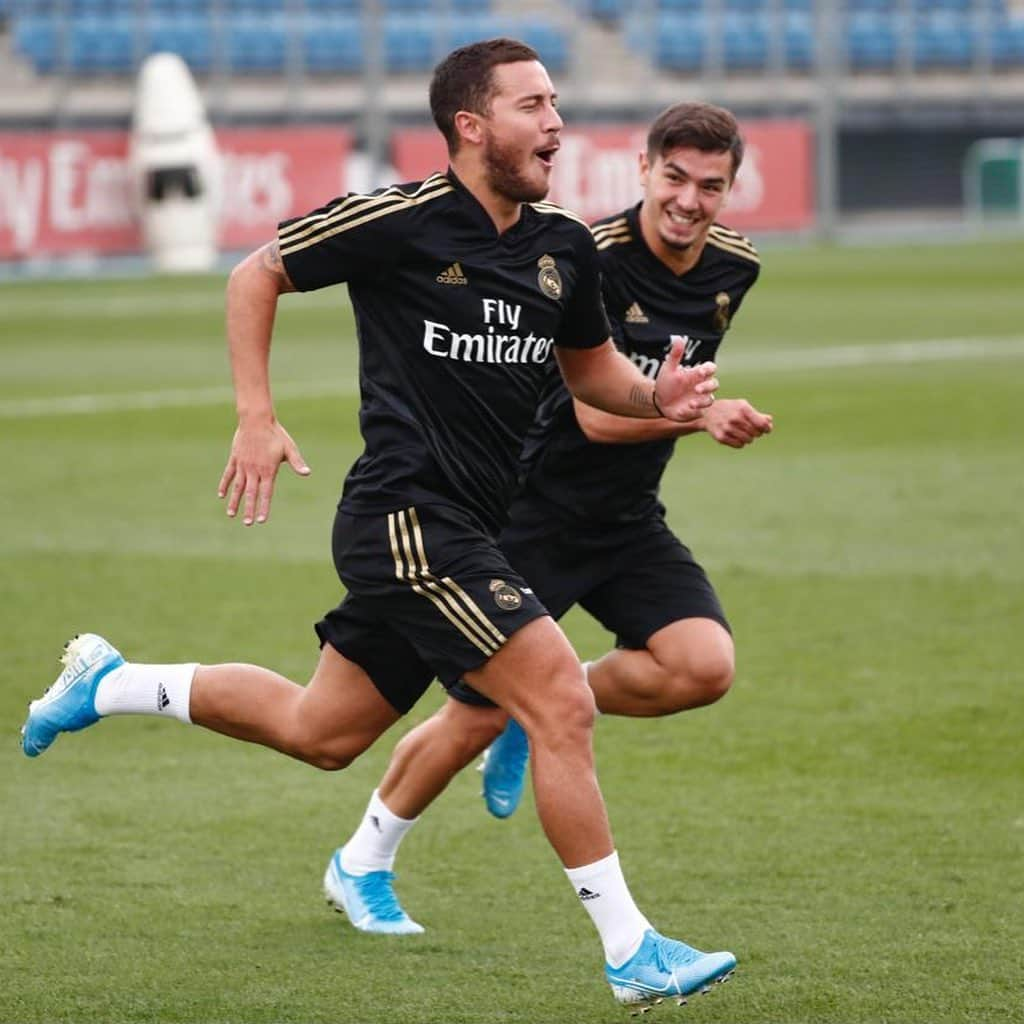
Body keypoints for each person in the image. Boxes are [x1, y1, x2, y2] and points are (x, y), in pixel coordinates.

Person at [21, 40, 734, 1010]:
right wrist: (255, 415)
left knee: (323, 730)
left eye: (556, 102)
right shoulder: (401, 218)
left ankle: (112, 680)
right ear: (471, 126)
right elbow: (253, 274)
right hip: (403, 516)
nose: (556, 123)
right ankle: (630, 950)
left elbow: (594, 377)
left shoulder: (565, 245)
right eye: (533, 105)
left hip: (472, 528)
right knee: (559, 697)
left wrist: (664, 394)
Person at [323, 100, 771, 959]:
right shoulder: (581, 254)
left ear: (730, 189)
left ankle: (547, 711)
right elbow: (597, 416)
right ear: (642, 171)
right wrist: (696, 420)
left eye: (709, 186)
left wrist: (684, 412)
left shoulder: (736, 268)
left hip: (628, 519)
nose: (688, 200)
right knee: (474, 717)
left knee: (703, 666)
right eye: (673, 178)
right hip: (532, 513)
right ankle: (362, 858)